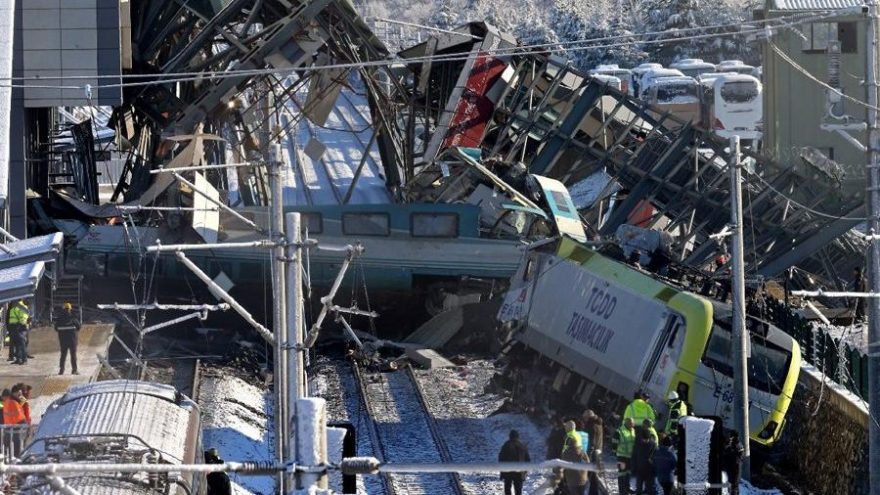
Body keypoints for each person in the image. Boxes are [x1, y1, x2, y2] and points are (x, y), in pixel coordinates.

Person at [561, 419, 589, 495]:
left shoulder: (569, 437)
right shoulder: (578, 435)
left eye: (566, 427)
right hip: (583, 476)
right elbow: (587, 460)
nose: (565, 428)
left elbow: (564, 455)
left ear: (569, 428)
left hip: (573, 477)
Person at [498, 429, 530, 495]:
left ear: (510, 436)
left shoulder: (506, 445)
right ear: (518, 436)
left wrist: (502, 471)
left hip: (508, 471)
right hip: (519, 471)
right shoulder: (522, 446)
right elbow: (528, 459)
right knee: (518, 490)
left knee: (507, 488)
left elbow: (501, 458)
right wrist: (525, 471)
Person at [612, 417, 636, 495]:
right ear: (626, 423)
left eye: (633, 424)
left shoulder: (632, 430)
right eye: (631, 424)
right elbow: (614, 443)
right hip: (622, 457)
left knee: (628, 473)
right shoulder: (619, 431)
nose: (633, 425)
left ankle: (627, 489)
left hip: (630, 456)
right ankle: (622, 491)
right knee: (622, 474)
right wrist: (614, 452)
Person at [583, 410, 604, 495]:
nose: (584, 419)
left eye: (584, 418)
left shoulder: (591, 426)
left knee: (592, 475)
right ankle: (594, 492)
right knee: (594, 475)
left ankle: (594, 492)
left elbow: (591, 442)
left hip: (593, 453)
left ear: (588, 417)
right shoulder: (599, 424)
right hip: (599, 451)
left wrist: (587, 455)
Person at [56, 302, 80, 375]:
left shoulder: (59, 318)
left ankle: (61, 370)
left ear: (63, 309)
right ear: (70, 309)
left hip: (63, 340)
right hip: (72, 339)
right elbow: (79, 327)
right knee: (73, 355)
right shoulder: (73, 318)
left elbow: (56, 328)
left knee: (63, 354)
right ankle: (74, 370)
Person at [632, 424, 658, 495]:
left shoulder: (653, 444)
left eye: (646, 439)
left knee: (651, 489)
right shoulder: (637, 444)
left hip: (650, 470)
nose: (645, 441)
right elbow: (634, 456)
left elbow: (656, 456)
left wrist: (653, 464)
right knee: (638, 489)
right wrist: (634, 468)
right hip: (639, 470)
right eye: (644, 439)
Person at [3, 385, 27, 458]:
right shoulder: (11, 402)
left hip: (12, 427)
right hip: (14, 427)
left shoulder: (12, 402)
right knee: (15, 447)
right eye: (19, 393)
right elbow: (19, 416)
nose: (20, 395)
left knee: (11, 447)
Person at [722, 431, 744, 495]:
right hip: (731, 466)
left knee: (734, 484)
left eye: (731, 436)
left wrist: (738, 461)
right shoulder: (727, 444)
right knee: (732, 484)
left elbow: (741, 454)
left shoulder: (737, 444)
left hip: (736, 466)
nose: (730, 438)